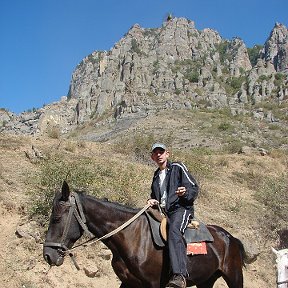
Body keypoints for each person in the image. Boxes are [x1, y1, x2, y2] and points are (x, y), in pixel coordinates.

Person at [147, 143, 199, 288]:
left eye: (161, 152)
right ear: (152, 157)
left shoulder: (177, 167)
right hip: (164, 212)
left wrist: (185, 192)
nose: (158, 155)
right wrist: (151, 200)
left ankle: (180, 275)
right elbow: (155, 195)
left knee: (174, 231)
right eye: (155, 153)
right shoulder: (156, 175)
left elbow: (193, 188)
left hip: (181, 209)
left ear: (167, 153)